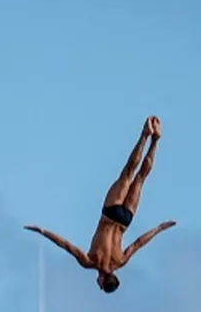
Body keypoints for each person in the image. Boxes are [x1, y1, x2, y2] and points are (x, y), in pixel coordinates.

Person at [25, 116, 176, 293]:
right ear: (104, 280)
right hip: (110, 213)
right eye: (100, 285)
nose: (97, 284)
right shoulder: (90, 261)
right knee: (129, 174)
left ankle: (154, 141)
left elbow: (138, 243)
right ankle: (145, 135)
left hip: (125, 220)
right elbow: (65, 245)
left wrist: (159, 229)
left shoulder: (121, 261)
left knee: (138, 178)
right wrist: (43, 231)